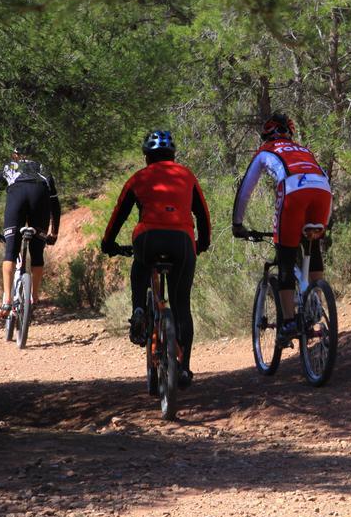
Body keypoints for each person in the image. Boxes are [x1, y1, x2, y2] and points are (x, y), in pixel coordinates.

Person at [100, 130, 211, 389]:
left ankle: (139, 310)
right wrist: (202, 243)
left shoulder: (139, 177)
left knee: (140, 266)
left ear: (147, 157)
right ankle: (183, 369)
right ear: (173, 155)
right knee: (181, 304)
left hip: (148, 239)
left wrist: (108, 243)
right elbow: (203, 214)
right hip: (182, 242)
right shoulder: (186, 175)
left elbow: (120, 213)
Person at [231, 112, 332, 344]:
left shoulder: (265, 151)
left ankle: (287, 322)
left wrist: (237, 223)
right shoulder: (305, 151)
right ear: (290, 134)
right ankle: (317, 298)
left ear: (267, 135)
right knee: (312, 245)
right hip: (323, 192)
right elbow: (323, 177)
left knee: (285, 255)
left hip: (294, 191)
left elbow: (246, 189)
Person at [0, 144, 61, 318]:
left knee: (10, 252)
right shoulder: (43, 169)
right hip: (39, 200)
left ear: (15, 156)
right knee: (37, 253)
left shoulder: (9, 168)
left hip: (16, 198)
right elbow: (55, 203)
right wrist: (54, 232)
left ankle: (7, 300)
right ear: (35, 156)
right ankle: (35, 297)